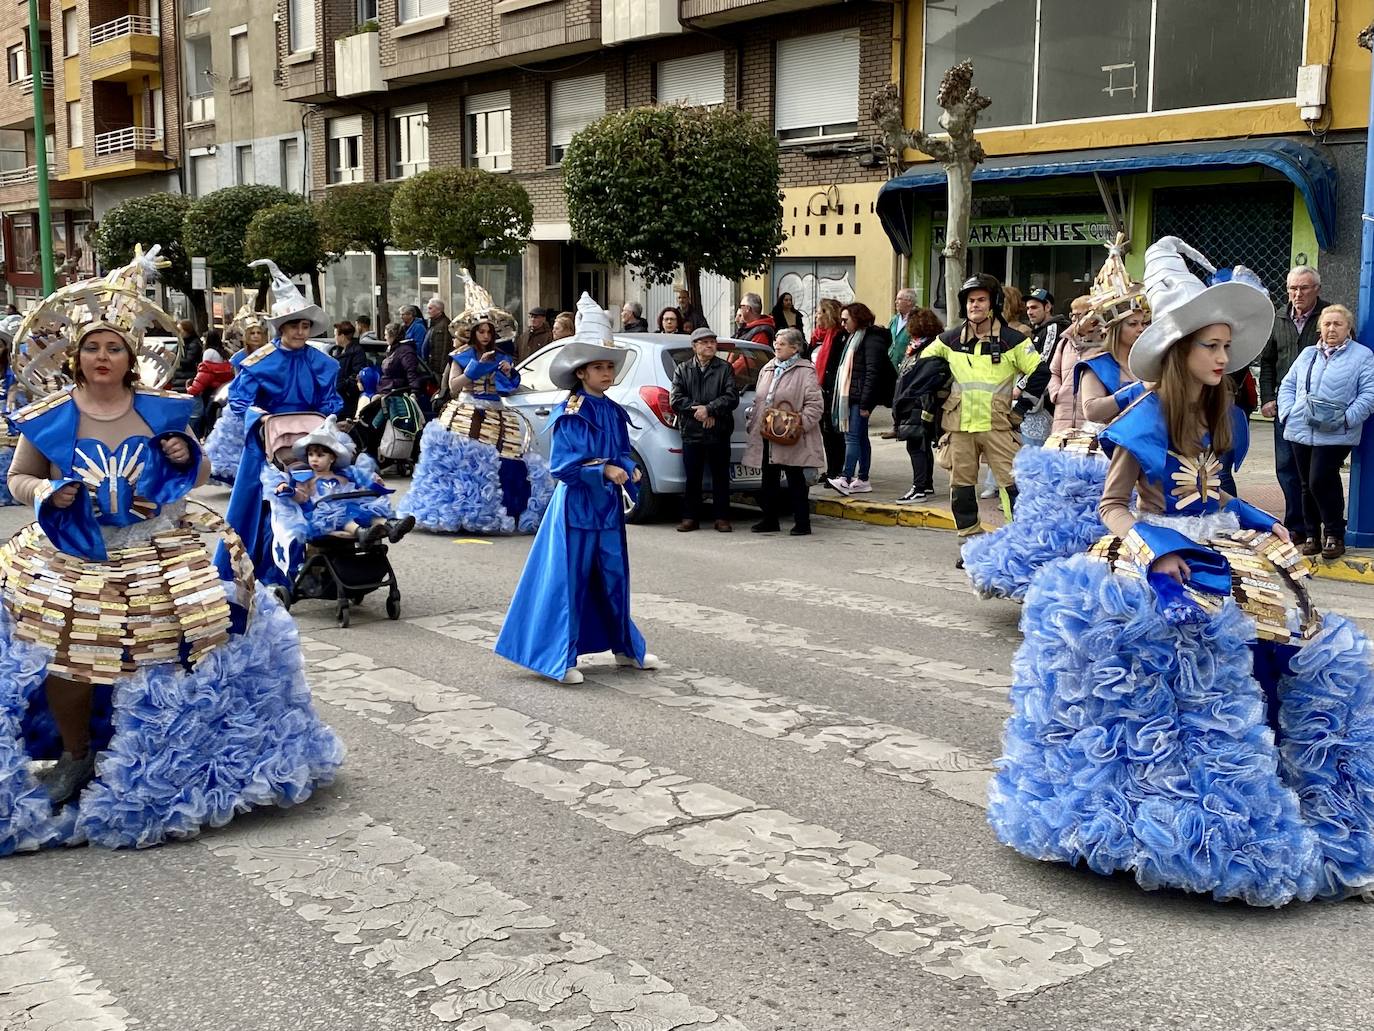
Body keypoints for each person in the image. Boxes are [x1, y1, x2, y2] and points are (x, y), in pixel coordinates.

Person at [990, 235, 1374, 908]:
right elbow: (1112, 506)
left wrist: (1260, 520)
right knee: (1180, 682)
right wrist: (1155, 550)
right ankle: (1170, 816)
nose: (1224, 358)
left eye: (1227, 346)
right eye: (1211, 347)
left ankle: (1289, 797)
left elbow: (1214, 492)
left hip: (1220, 546)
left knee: (1287, 646)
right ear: (1179, 351)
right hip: (1159, 556)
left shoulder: (1220, 413)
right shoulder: (1145, 417)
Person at [0, 249, 341, 844]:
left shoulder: (161, 410)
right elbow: (18, 477)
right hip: (73, 553)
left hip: (156, 550)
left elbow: (201, 468)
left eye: (113, 348)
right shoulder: (50, 415)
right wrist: (47, 491)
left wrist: (186, 454)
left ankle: (151, 760)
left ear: (131, 358)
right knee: (69, 658)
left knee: (161, 659)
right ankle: (76, 753)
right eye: (92, 347)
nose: (102, 357)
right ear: (75, 357)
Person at [962, 248, 1149, 600]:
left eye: (1143, 324)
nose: (1140, 330)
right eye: (1132, 324)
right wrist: (1138, 391)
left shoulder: (1149, 363)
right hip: (1099, 452)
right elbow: (1092, 409)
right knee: (1077, 526)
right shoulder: (1097, 362)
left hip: (1139, 452)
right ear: (1115, 327)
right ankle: (1060, 589)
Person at [494, 295, 660, 685]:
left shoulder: (613, 410)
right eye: (599, 367)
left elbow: (621, 452)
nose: (606, 373)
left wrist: (630, 469)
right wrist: (605, 471)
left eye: (609, 366)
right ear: (581, 372)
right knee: (571, 582)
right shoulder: (572, 411)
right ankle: (560, 657)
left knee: (614, 578)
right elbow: (564, 466)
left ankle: (624, 648)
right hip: (577, 511)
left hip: (607, 511)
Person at [218, 260, 343, 591]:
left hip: (314, 441)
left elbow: (330, 401)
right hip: (267, 444)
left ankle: (327, 568)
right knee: (262, 506)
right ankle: (266, 570)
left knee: (328, 494)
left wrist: (327, 421)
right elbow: (239, 401)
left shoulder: (323, 362)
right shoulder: (257, 362)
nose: (300, 332)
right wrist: (261, 417)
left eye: (305, 326)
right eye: (294, 326)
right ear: (281, 328)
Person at [398, 273, 553, 535]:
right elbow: (454, 386)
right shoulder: (462, 354)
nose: (485, 335)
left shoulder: (502, 356)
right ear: (472, 333)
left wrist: (509, 373)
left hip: (497, 413)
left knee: (508, 459)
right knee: (463, 462)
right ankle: (459, 512)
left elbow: (509, 388)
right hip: (467, 412)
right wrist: (475, 368)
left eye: (489, 331)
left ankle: (505, 511)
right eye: (481, 331)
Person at [908, 275, 1048, 541]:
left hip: (998, 425)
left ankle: (1018, 540)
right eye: (971, 300)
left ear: (993, 303)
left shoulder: (1013, 340)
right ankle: (969, 542)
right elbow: (921, 367)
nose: (975, 305)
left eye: (981, 300)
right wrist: (936, 390)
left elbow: (1041, 372)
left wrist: (1021, 410)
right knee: (961, 488)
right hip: (959, 426)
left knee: (1013, 485)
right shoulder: (948, 340)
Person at [1278, 303, 1374, 560]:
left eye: (1337, 324)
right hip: (1300, 428)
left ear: (1348, 328)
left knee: (1320, 479)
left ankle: (1334, 534)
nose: (1332, 328)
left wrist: (1347, 419)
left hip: (1336, 432)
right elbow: (1287, 385)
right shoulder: (1308, 354)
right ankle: (1312, 534)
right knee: (1305, 484)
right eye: (1327, 324)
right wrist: (1287, 412)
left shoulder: (1362, 356)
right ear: (1320, 328)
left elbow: (1369, 393)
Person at [263, 415, 415, 568]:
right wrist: (291, 491)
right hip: (323, 514)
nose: (314, 459)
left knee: (367, 509)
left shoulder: (343, 475)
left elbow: (358, 488)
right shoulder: (307, 478)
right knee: (339, 515)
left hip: (349, 506)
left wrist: (373, 483)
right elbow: (303, 497)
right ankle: (360, 532)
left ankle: (391, 525)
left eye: (320, 455)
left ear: (332, 458)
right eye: (311, 454)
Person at [1259, 265, 1328, 546]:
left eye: (1304, 288)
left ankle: (1321, 526)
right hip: (1286, 407)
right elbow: (1267, 362)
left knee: (1315, 472)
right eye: (1292, 288)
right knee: (1287, 467)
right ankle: (1296, 526)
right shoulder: (1278, 318)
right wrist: (1267, 398)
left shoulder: (1329, 317)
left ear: (1317, 289)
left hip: (1318, 408)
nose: (1297, 294)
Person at [745, 328, 822, 536]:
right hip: (767, 431)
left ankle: (802, 522)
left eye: (782, 344)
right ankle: (769, 519)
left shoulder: (805, 371)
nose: (776, 346)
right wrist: (753, 420)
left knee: (795, 478)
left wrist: (798, 425)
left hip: (792, 434)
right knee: (768, 478)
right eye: (776, 343)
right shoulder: (768, 367)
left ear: (795, 348)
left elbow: (815, 406)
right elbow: (759, 399)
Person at [670, 327, 740, 532]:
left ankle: (722, 517)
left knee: (720, 477)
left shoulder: (725, 368)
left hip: (718, 430)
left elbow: (731, 397)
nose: (710, 346)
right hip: (692, 431)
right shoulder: (683, 369)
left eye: (712, 342)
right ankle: (690, 517)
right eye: (705, 342)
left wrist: (710, 410)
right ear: (694, 346)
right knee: (693, 478)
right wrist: (700, 411)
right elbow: (676, 400)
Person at [825, 302, 895, 496]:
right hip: (853, 395)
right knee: (861, 438)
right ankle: (862, 479)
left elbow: (872, 373)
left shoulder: (871, 339)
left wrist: (866, 403)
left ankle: (846, 477)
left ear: (857, 318)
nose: (843, 324)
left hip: (859, 397)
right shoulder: (854, 337)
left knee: (852, 438)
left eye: (845, 320)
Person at [203, 305, 271, 485]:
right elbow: (237, 382)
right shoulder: (239, 357)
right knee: (235, 441)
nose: (256, 336)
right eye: (252, 333)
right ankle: (237, 478)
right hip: (243, 403)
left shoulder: (271, 354)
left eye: (259, 332)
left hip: (266, 401)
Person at [893, 307, 944, 503]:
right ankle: (926, 484)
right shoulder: (917, 346)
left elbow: (920, 379)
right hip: (915, 402)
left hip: (918, 403)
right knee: (920, 445)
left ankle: (919, 488)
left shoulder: (927, 349)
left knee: (916, 445)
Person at [810, 298, 845, 478]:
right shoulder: (819, 336)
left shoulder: (838, 336)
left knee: (834, 433)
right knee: (826, 432)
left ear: (828, 314)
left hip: (832, 391)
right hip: (819, 389)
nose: (816, 316)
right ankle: (831, 469)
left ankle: (836, 470)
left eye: (819, 312)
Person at [185, 333, 233, 437]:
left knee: (202, 415)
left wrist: (191, 389)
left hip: (209, 390)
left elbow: (204, 373)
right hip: (221, 391)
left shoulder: (209, 353)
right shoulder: (224, 353)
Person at [334, 320, 370, 418]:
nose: (334, 338)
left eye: (335, 335)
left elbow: (357, 374)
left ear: (342, 336)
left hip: (348, 398)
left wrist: (343, 385)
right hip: (337, 397)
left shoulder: (357, 352)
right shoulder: (337, 351)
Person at [885, 288, 916, 371]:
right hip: (890, 366)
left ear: (909, 302)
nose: (896, 302)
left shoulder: (917, 320)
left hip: (906, 367)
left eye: (899, 299)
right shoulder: (894, 319)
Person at [423, 297, 451, 383]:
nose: (428, 311)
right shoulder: (433, 324)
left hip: (439, 368)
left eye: (430, 308)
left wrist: (442, 368)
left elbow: (446, 347)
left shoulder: (445, 324)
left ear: (439, 310)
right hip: (432, 366)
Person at [170, 318, 203, 391]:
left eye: (180, 330)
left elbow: (188, 361)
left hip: (186, 380)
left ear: (187, 331)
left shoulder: (194, 344)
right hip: (178, 380)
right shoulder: (181, 344)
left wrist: (174, 358)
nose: (178, 333)